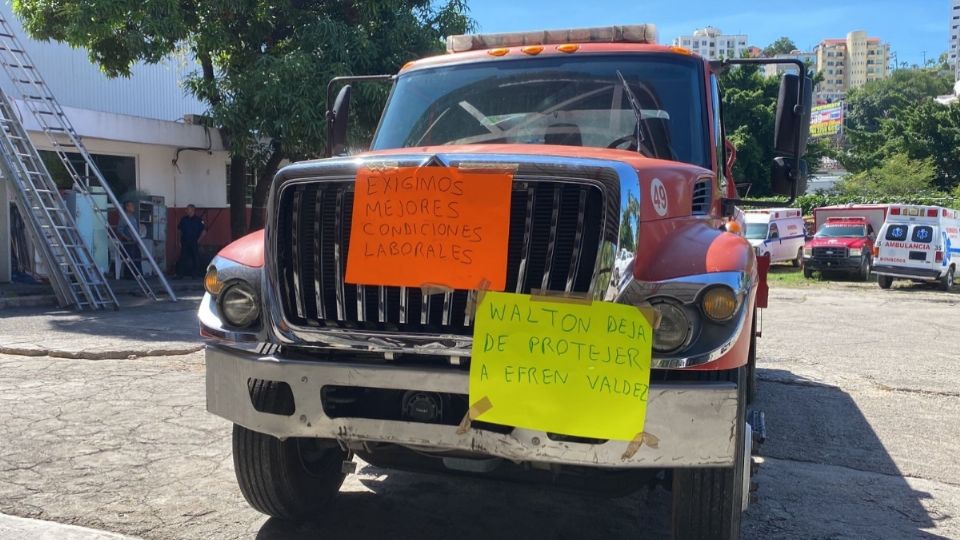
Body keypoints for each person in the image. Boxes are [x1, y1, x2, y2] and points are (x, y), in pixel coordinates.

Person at [176, 204, 206, 278]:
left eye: (188, 209)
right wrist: (179, 240)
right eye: (186, 209)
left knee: (195, 258)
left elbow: (204, 231)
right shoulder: (184, 219)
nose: (186, 211)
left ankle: (195, 275)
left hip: (194, 242)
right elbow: (179, 230)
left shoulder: (198, 220)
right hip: (185, 241)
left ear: (192, 210)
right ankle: (180, 275)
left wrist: (198, 240)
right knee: (183, 258)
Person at [116, 201, 142, 278]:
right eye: (131, 206)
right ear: (127, 207)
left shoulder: (133, 218)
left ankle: (139, 274)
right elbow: (119, 229)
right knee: (130, 258)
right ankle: (130, 275)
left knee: (138, 256)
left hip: (135, 241)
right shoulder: (124, 218)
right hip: (128, 242)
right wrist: (126, 238)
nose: (133, 207)